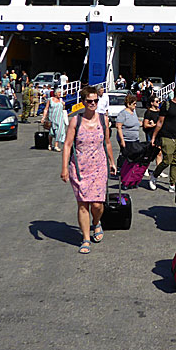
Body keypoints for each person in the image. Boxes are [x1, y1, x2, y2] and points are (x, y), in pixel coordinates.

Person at [61, 86, 117, 255]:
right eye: (89, 101)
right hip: (79, 168)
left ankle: (97, 222)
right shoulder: (75, 121)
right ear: (83, 102)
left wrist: (112, 162)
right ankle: (85, 238)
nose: (93, 104)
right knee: (83, 204)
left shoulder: (103, 120)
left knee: (98, 204)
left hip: (99, 167)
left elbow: (107, 143)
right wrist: (64, 168)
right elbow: (67, 145)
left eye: (95, 101)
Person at [150, 84, 176, 192]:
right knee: (167, 161)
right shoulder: (167, 105)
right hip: (166, 137)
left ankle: (172, 184)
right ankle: (154, 175)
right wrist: (154, 137)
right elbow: (159, 122)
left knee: (175, 162)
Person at [115, 93, 143, 174]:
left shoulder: (133, 112)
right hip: (126, 139)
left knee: (135, 155)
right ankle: (121, 169)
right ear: (128, 104)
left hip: (135, 139)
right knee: (125, 155)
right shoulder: (123, 113)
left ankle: (131, 171)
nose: (135, 105)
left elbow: (137, 122)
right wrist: (122, 140)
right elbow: (118, 127)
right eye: (134, 103)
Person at [142, 96, 163, 189]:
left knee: (159, 152)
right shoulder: (148, 112)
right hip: (150, 134)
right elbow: (145, 125)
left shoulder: (159, 111)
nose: (158, 102)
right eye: (156, 101)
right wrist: (153, 125)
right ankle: (145, 169)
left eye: (159, 101)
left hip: (158, 134)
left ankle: (159, 170)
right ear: (151, 103)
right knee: (150, 153)